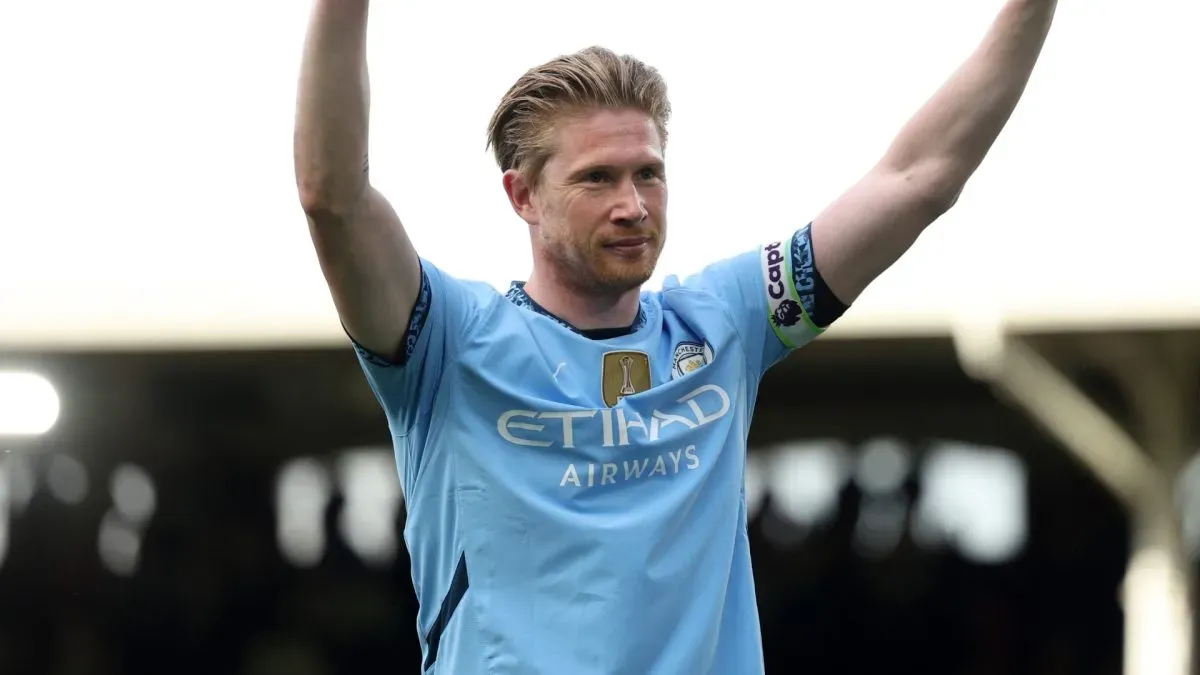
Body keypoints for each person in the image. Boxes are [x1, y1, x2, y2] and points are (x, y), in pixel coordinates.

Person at [293, 1, 1057, 672]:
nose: (632, 204)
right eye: (597, 178)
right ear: (522, 194)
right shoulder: (447, 342)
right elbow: (333, 198)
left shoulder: (723, 322)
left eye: (648, 174)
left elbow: (918, 178)